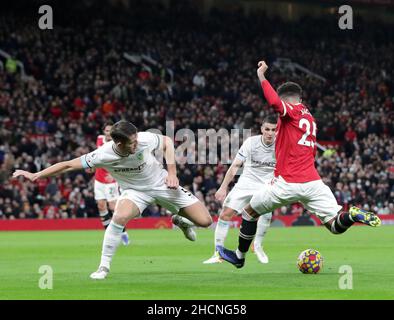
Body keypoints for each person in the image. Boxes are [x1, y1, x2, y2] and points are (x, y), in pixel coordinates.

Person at [217, 60, 381, 268]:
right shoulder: (310, 119)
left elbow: (275, 103)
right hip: (313, 183)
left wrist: (261, 76)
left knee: (249, 213)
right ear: (301, 99)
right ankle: (352, 215)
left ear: (286, 100)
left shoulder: (290, 112)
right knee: (334, 225)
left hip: (286, 183)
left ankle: (239, 257)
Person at [13, 120, 213, 279]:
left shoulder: (144, 139)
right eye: (132, 143)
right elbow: (67, 165)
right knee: (119, 217)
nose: (137, 144)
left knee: (206, 221)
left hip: (162, 183)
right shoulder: (102, 155)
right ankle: (103, 267)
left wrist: (172, 172)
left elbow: (168, 142)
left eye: (136, 140)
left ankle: (180, 221)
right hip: (135, 192)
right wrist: (36, 175)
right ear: (119, 144)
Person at [203, 116, 277, 265]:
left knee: (265, 214)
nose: (270, 133)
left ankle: (258, 246)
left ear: (278, 131)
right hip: (246, 183)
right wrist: (223, 187)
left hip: (267, 184)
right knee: (225, 214)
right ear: (262, 129)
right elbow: (235, 166)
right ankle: (217, 253)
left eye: (273, 130)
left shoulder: (282, 145)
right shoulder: (251, 143)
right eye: (267, 129)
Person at [94, 122, 129, 245]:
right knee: (101, 207)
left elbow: (121, 160)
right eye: (106, 130)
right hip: (98, 180)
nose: (108, 133)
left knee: (113, 207)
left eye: (110, 131)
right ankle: (109, 235)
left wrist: (113, 173)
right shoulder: (99, 139)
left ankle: (123, 233)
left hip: (111, 181)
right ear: (104, 131)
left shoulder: (116, 144)